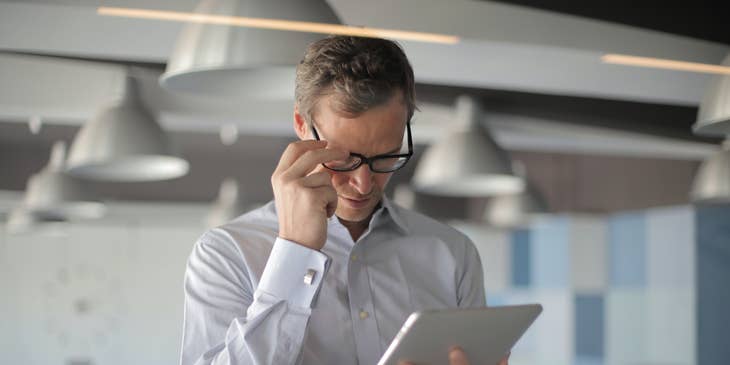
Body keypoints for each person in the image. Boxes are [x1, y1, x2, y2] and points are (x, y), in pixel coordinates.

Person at [180, 35, 508, 365]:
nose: (363, 183)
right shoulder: (225, 255)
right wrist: (295, 253)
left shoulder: (453, 253)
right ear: (301, 125)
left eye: (387, 156)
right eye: (343, 158)